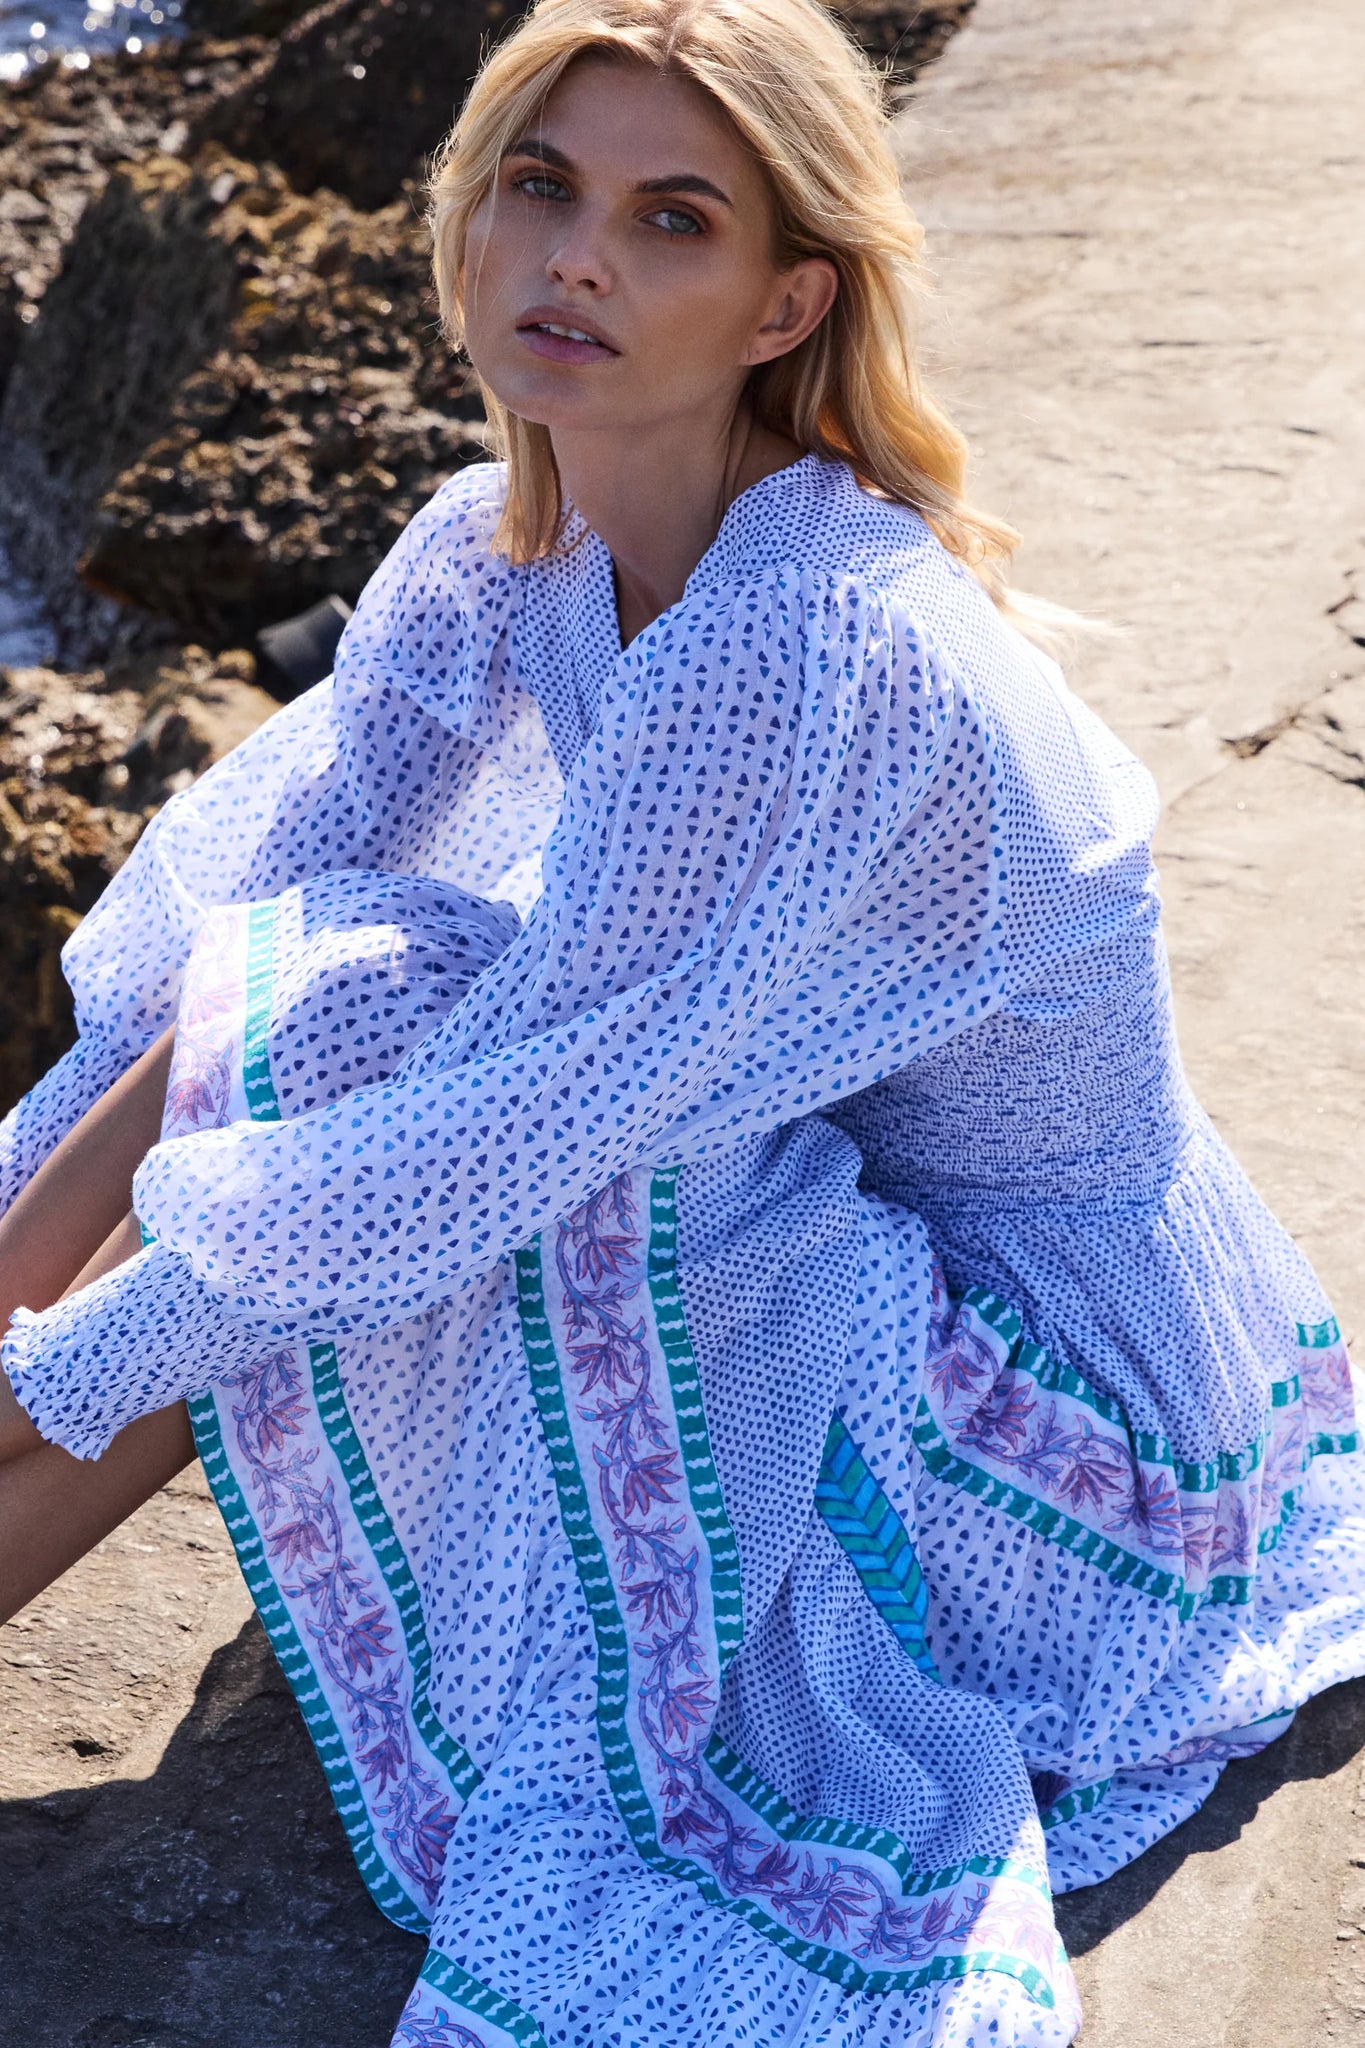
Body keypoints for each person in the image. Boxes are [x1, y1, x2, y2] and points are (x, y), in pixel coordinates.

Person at [1, 1, 1361, 2041]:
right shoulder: (506, 543)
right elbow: (249, 930)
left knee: (376, 1047)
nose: (576, 261)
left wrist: (64, 1369)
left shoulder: (805, 638)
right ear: (468, 220)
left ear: (783, 303)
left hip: (1066, 1416)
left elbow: (494, 1132)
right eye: (541, 188)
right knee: (309, 975)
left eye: (670, 220)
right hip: (844, 1224)